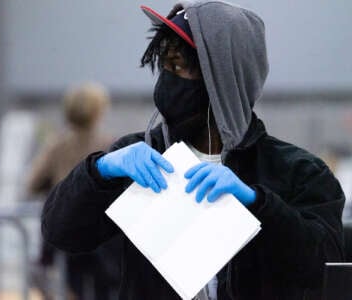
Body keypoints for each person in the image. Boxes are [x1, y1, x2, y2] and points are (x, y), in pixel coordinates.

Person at [41, 2, 345, 299]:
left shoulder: (298, 172)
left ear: (222, 79)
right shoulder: (141, 159)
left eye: (179, 66)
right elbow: (61, 231)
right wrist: (100, 171)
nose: (167, 79)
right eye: (165, 65)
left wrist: (258, 203)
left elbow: (323, 266)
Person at [27, 82, 120, 300]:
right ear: (98, 112)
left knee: (74, 287)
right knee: (107, 289)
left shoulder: (57, 145)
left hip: (71, 227)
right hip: (104, 233)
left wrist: (53, 185)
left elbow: (32, 182)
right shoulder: (109, 144)